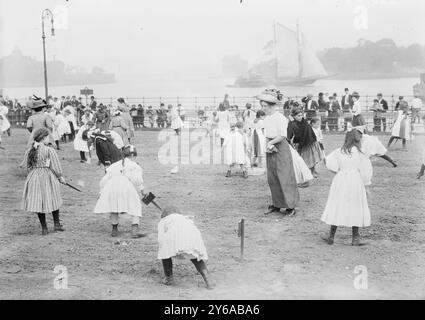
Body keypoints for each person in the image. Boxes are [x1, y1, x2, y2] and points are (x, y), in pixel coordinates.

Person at [320, 130, 373, 246]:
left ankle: (331, 236)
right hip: (355, 180)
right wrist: (366, 185)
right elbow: (365, 171)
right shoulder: (361, 153)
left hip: (340, 180)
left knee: (337, 205)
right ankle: (355, 238)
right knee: (355, 206)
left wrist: (339, 172)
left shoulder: (339, 151)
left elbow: (328, 163)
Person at [257, 90, 299, 216]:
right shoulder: (267, 118)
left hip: (280, 147)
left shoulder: (280, 117)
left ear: (271, 106)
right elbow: (267, 134)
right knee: (273, 177)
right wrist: (267, 144)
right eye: (262, 105)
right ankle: (277, 204)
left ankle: (290, 206)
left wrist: (271, 143)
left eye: (265, 106)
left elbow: (282, 135)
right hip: (271, 147)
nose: (263, 108)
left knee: (284, 176)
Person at [94, 145, 146, 238]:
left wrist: (101, 192)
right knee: (135, 205)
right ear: (133, 155)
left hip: (111, 186)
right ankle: (134, 229)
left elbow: (104, 180)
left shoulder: (114, 165)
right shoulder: (134, 166)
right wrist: (143, 192)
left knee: (114, 206)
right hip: (125, 185)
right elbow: (137, 181)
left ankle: (114, 229)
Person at [21, 128, 66, 235]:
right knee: (53, 198)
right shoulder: (49, 150)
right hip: (47, 175)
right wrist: (60, 177)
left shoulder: (30, 150)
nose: (48, 139)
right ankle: (56, 224)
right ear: (43, 138)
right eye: (47, 137)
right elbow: (55, 165)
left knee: (38, 201)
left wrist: (33, 174)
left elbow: (26, 166)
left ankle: (44, 228)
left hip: (34, 176)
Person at [157, 205, 212, 289]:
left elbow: (161, 239)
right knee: (194, 254)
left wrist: (165, 249)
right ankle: (208, 279)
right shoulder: (185, 218)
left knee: (165, 251)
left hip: (176, 233)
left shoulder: (163, 220)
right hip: (193, 234)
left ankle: (169, 278)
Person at [287, 108, 324, 178]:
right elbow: (290, 134)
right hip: (301, 144)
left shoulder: (304, 122)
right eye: (298, 116)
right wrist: (292, 122)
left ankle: (313, 171)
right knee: (304, 160)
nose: (300, 117)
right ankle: (305, 173)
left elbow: (308, 130)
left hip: (310, 142)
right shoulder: (292, 124)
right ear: (294, 116)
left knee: (313, 159)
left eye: (301, 115)